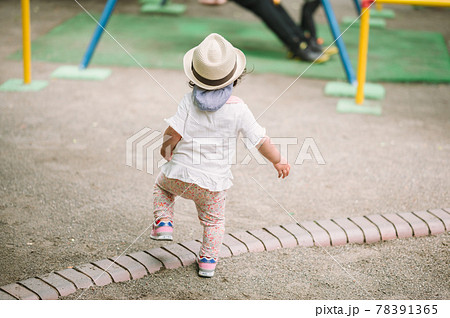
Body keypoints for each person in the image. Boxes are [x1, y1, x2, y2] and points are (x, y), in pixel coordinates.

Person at [150, 33, 291, 278]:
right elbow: (260, 140)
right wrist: (277, 160)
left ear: (194, 77)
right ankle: (207, 261)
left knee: (161, 189)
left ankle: (164, 222)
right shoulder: (239, 109)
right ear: (235, 77)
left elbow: (173, 132)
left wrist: (166, 149)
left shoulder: (187, 102)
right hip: (212, 185)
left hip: (179, 175)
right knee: (213, 222)